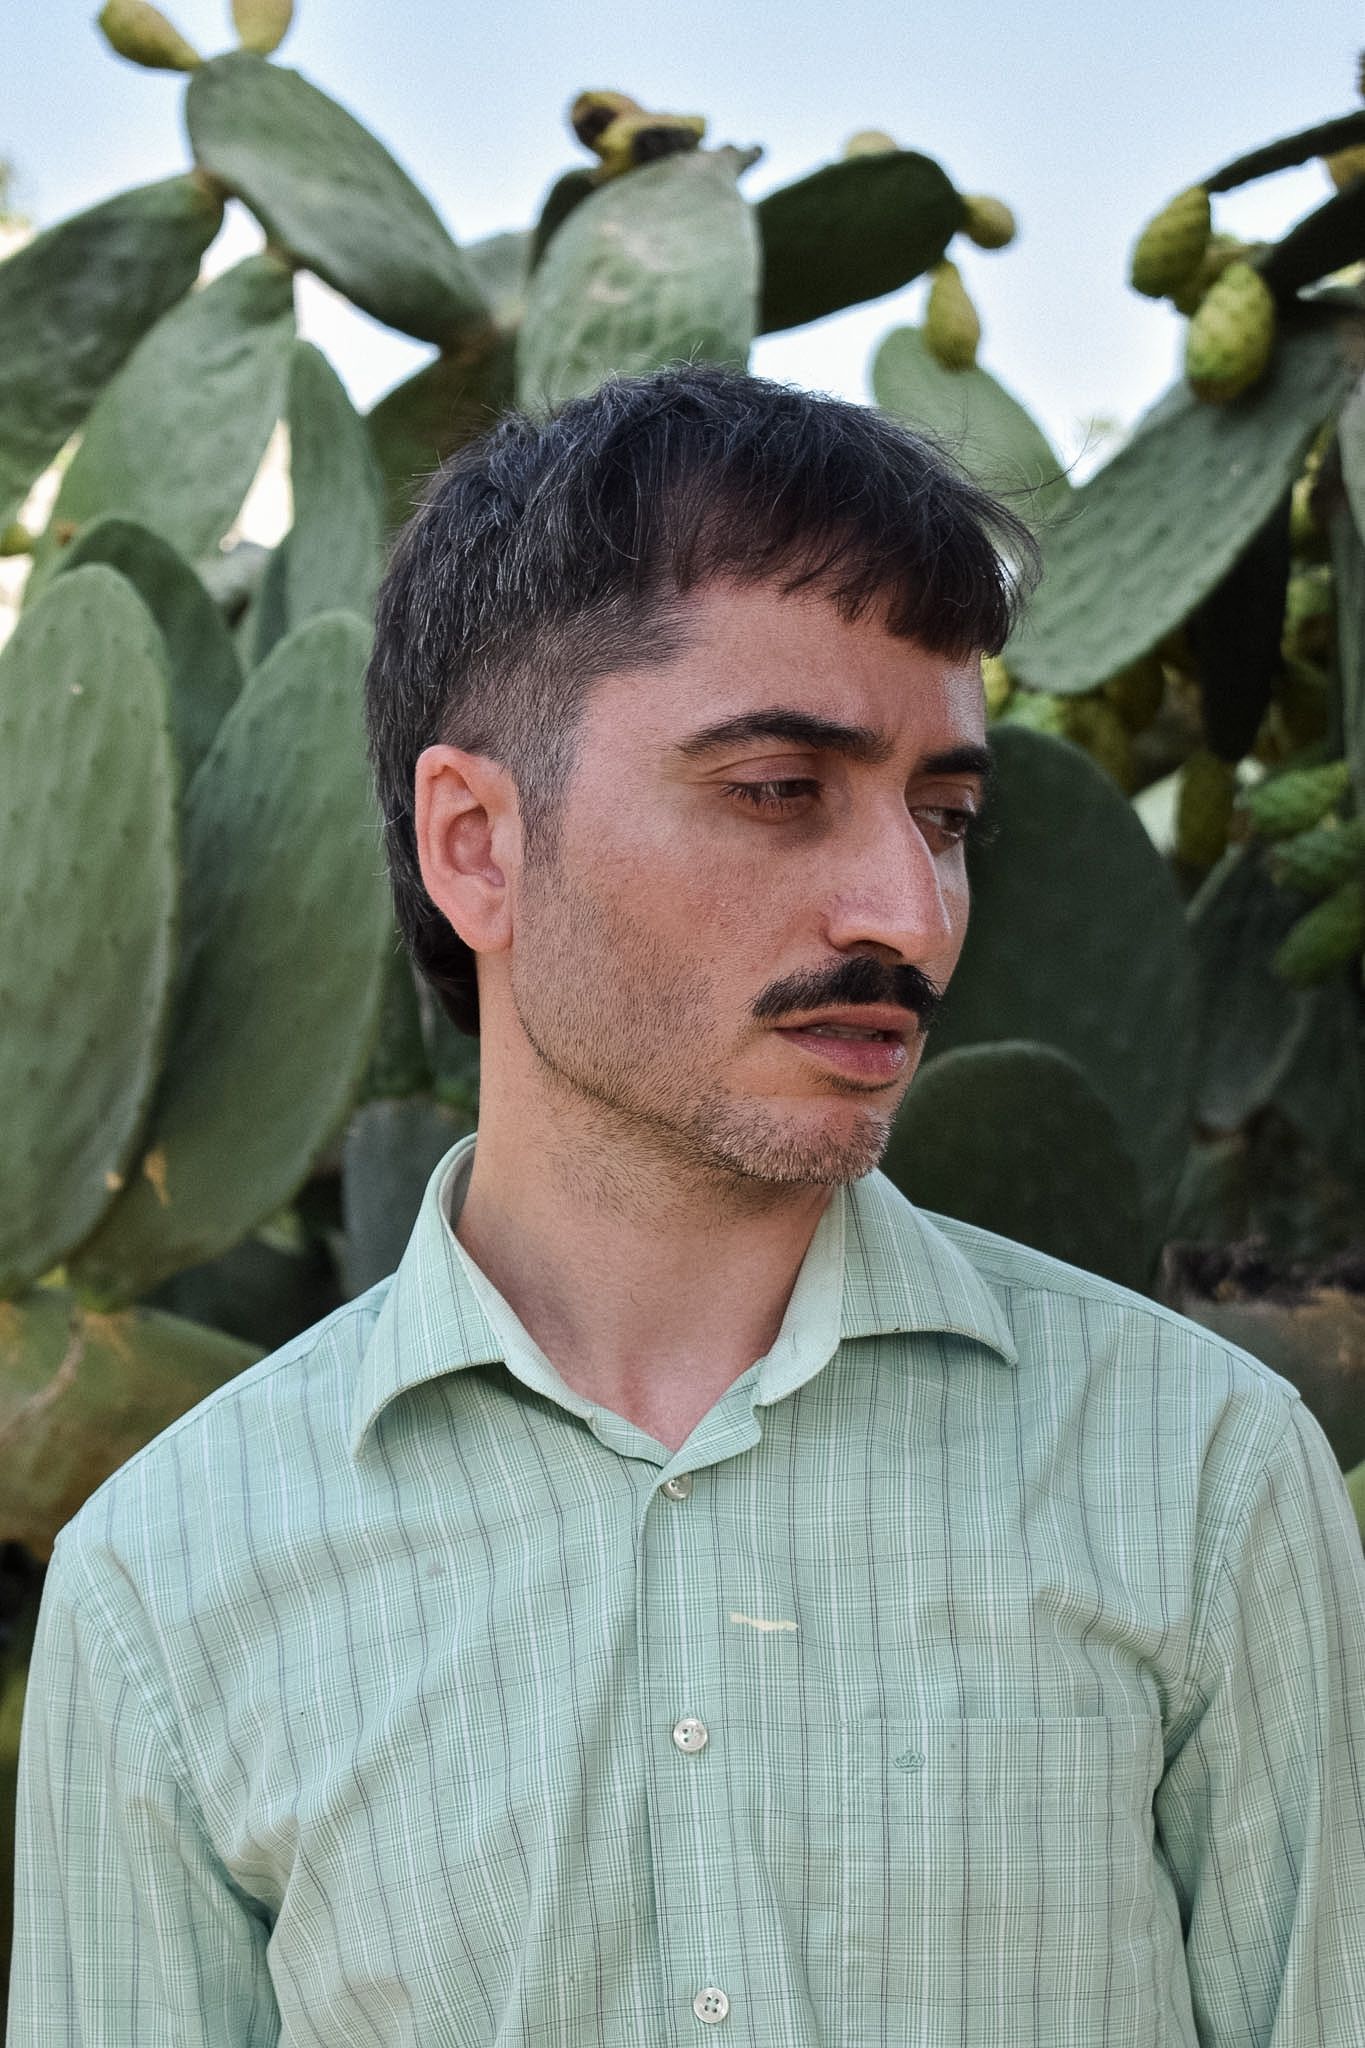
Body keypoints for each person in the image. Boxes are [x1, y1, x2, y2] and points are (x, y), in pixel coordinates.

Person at [7, 363, 1365, 2047]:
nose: (910, 914)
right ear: (476, 845)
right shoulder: (169, 1578)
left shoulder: (1200, 1474)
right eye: (779, 790)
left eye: (945, 816)